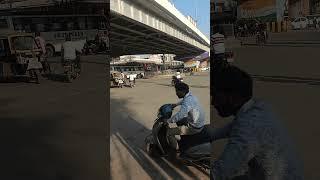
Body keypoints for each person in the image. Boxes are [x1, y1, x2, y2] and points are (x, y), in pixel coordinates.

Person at [210, 66, 304, 180]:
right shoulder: (259, 107)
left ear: (233, 97)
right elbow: (234, 126)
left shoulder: (247, 129)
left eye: (215, 95)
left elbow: (221, 171)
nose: (213, 102)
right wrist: (209, 136)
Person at [166, 82, 209, 153]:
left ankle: (177, 150)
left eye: (177, 91)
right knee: (180, 121)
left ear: (182, 91)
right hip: (198, 122)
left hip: (194, 127)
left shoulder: (187, 102)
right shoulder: (191, 96)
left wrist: (168, 121)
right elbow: (183, 100)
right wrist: (175, 104)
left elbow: (180, 115)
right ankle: (184, 138)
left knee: (169, 133)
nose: (176, 93)